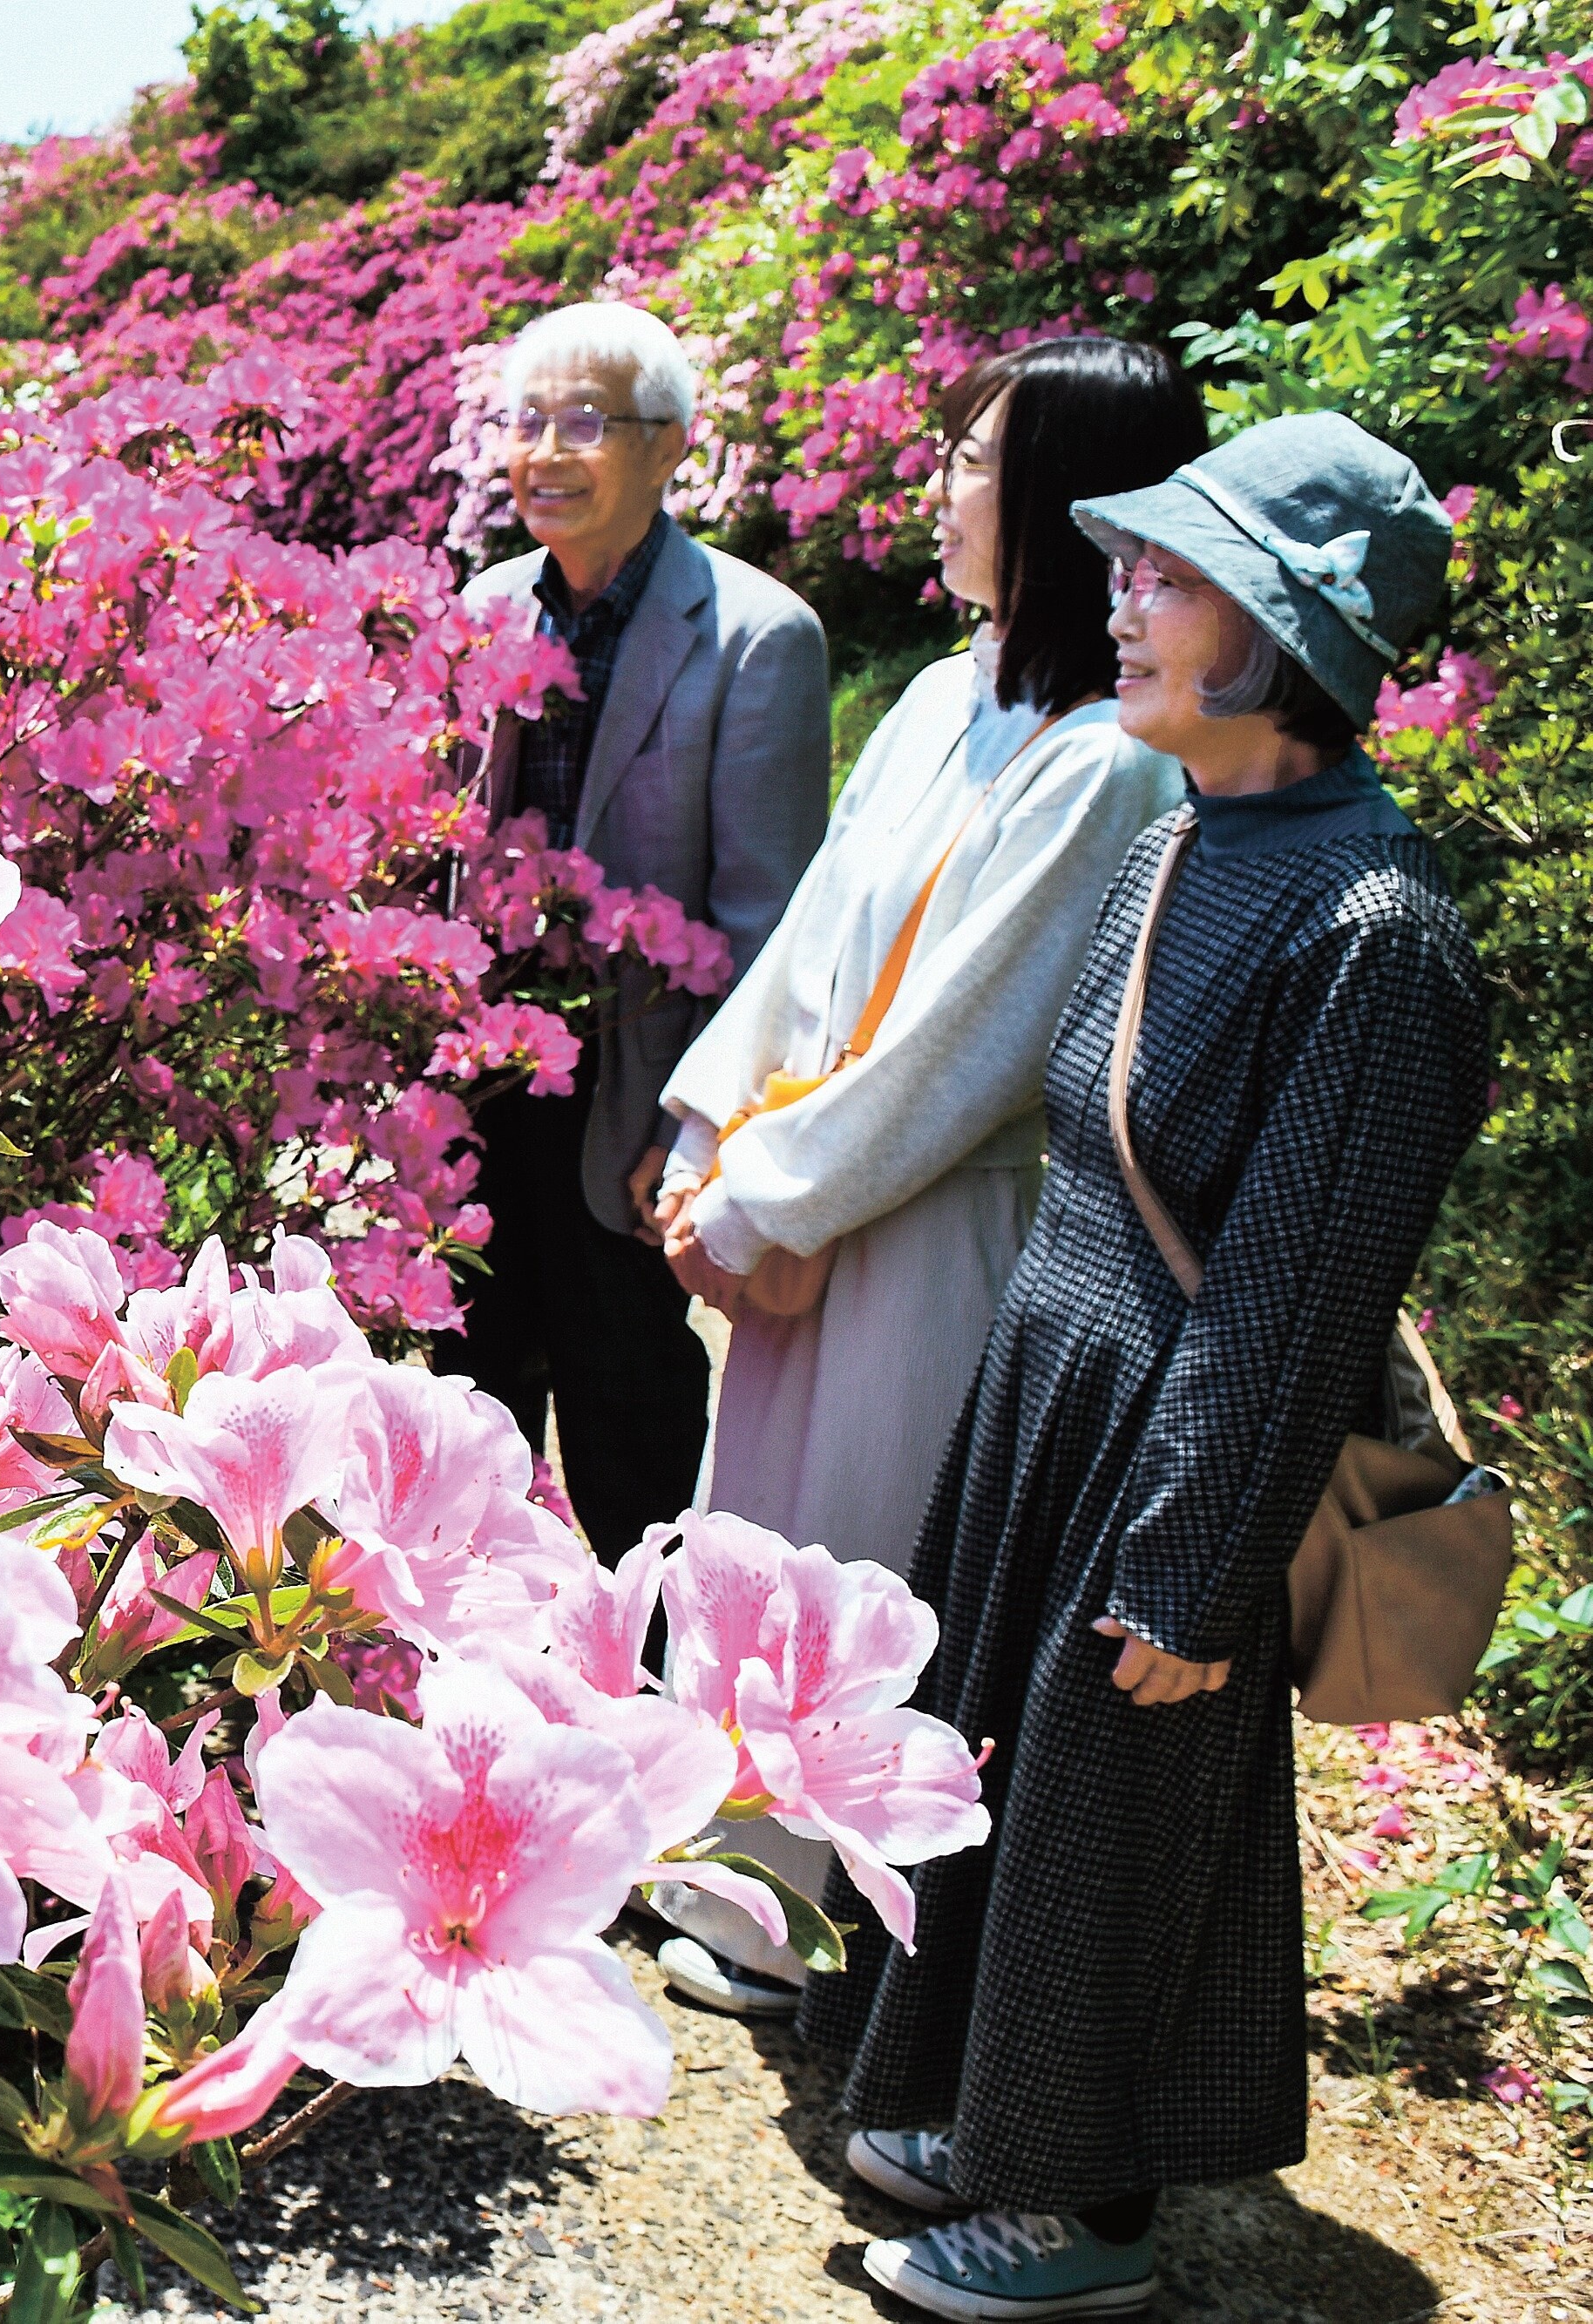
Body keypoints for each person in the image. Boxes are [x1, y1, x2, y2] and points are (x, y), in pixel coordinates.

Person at [796, 411, 1485, 2321]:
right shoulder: (1182, 827)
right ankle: (981, 2108)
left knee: (1115, 1803)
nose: (1118, 602)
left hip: (1180, 1431)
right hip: (1062, 1383)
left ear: (1278, 635)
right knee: (1008, 1769)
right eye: (1133, 567)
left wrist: (1195, 1569)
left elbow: (1293, 1300)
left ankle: (1083, 2208)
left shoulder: (1372, 927)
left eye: (1169, 578)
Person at [637, 339, 1205, 2020]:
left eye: (976, 461)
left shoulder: (1109, 759)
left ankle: (829, 1933)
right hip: (814, 1191)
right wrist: (709, 1133)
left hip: (943, 1225)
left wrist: (759, 1192)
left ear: (1068, 503)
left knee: (869, 1554)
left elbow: (967, 1055)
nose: (944, 489)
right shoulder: (949, 698)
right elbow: (814, 941)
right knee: (764, 1534)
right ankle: (732, 1880)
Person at [444, 303, 830, 1558]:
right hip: (486, 1095)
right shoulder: (488, 610)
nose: (544, 453)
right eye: (525, 422)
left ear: (669, 446)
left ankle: (652, 1663)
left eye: (584, 423)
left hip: (633, 1101)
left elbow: (766, 924)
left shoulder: (757, 637)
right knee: (470, 1430)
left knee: (632, 1445)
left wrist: (692, 1126)